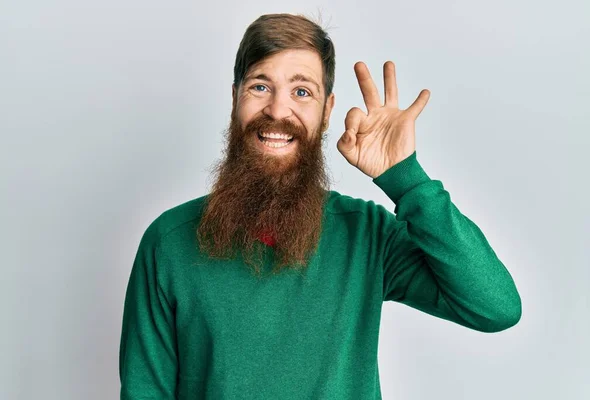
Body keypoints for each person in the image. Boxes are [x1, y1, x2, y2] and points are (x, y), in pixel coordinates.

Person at [118, 12, 522, 400]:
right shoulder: (168, 242)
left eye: (301, 92)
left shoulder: (367, 234)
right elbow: (144, 392)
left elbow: (496, 308)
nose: (277, 110)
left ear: (327, 111)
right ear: (234, 98)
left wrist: (406, 179)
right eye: (260, 86)